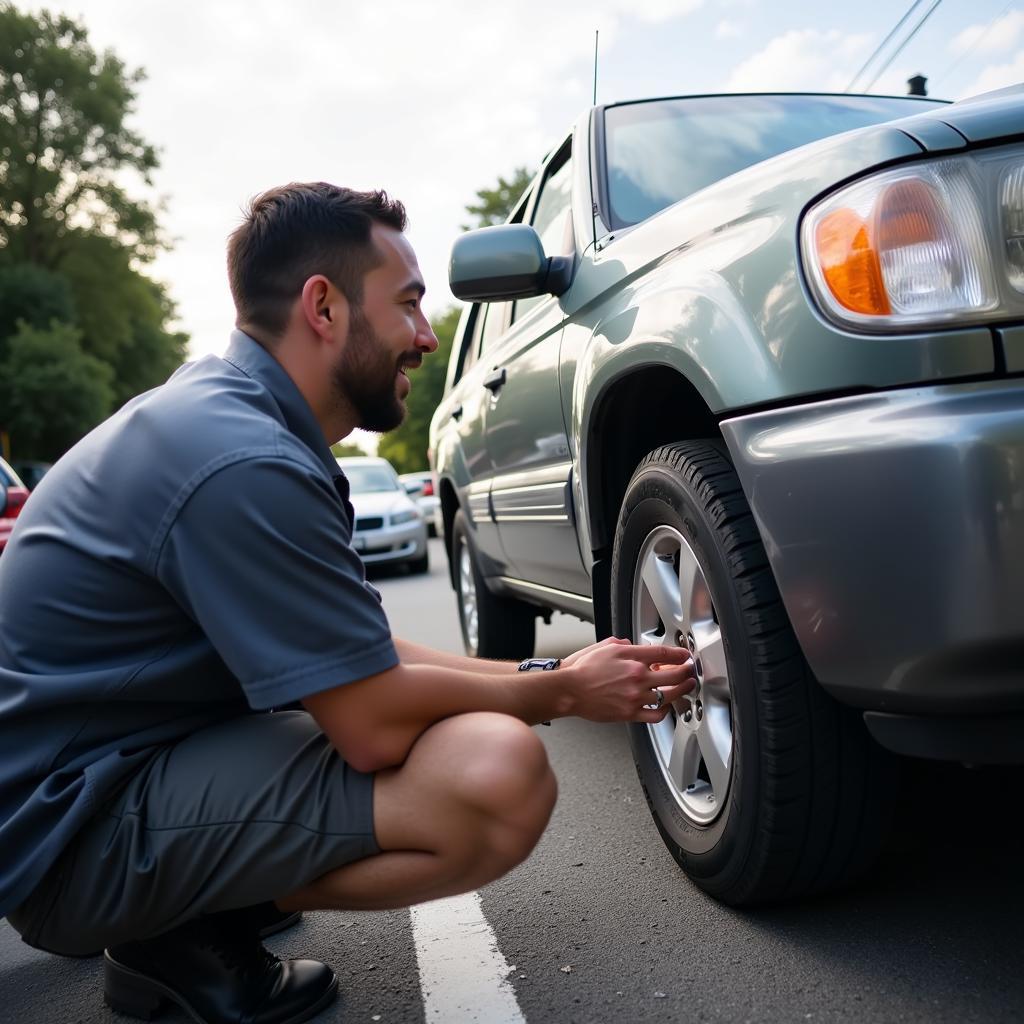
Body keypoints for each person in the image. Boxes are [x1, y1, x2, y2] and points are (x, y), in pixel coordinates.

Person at [0, 183, 696, 1024]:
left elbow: (362, 655)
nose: (427, 336)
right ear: (323, 307)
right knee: (493, 779)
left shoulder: (237, 421)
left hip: (104, 778)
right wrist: (556, 693)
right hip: (71, 839)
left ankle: (194, 894)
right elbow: (371, 720)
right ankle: (167, 925)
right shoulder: (240, 459)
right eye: (407, 305)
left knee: (469, 736)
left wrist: (547, 668)